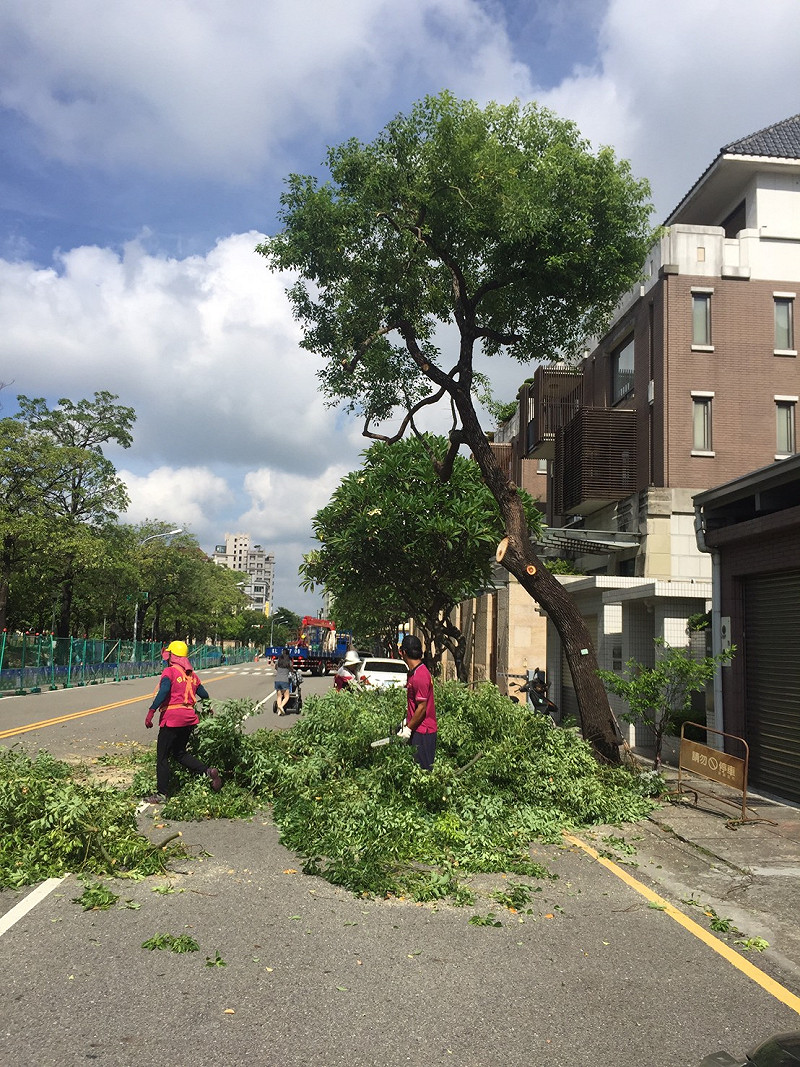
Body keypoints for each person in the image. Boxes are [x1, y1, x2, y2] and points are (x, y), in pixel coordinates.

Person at [143, 640, 221, 803]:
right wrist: (208, 708)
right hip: (189, 720)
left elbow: (164, 691)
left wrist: (151, 711)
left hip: (172, 719)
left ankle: (162, 794)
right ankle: (207, 771)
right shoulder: (192, 676)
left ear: (172, 656)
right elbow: (204, 695)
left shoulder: (170, 672)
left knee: (162, 757)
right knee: (179, 753)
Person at [398, 634, 437, 770]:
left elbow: (422, 708)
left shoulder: (420, 675)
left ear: (402, 652)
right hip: (417, 728)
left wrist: (408, 729)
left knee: (423, 772)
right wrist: (408, 720)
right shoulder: (413, 673)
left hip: (424, 732)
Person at [274, 648, 293, 714]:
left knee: (279, 696)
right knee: (287, 696)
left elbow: (275, 667)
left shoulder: (279, 660)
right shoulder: (289, 661)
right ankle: (281, 706)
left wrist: (279, 670)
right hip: (284, 680)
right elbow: (291, 669)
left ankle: (280, 711)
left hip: (277, 680)